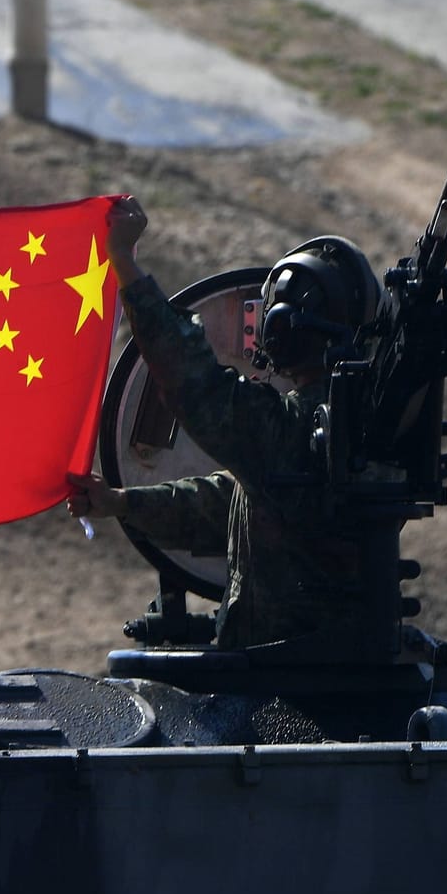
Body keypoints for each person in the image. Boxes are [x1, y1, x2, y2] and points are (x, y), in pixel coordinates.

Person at [67, 196, 383, 649]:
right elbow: (233, 503)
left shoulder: (293, 430)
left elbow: (194, 382)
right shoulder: (357, 425)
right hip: (343, 656)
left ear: (281, 332)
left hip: (278, 670)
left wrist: (124, 263)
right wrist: (122, 502)